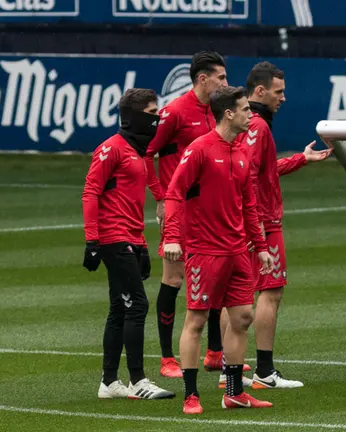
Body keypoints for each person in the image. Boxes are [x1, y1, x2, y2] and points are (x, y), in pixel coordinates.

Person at [163, 86, 274, 414]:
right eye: (244, 110)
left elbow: (249, 205)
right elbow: (174, 193)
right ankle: (190, 395)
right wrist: (172, 237)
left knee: (242, 317)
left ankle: (234, 392)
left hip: (238, 251)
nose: (250, 115)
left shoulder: (240, 152)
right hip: (204, 251)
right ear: (228, 113)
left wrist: (262, 248)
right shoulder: (199, 150)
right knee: (195, 321)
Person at [144, 51, 243, 378]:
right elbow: (146, 154)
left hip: (210, 215)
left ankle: (215, 352)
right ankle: (167, 358)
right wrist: (160, 196)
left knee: (216, 282)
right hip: (180, 212)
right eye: (221, 78)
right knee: (173, 280)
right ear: (203, 79)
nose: (226, 83)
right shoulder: (174, 113)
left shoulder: (218, 113)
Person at [236, 61, 331, 389]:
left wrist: (300, 159)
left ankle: (227, 367)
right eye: (279, 92)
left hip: (251, 218)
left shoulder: (247, 123)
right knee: (269, 292)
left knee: (241, 293)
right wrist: (257, 222)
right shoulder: (258, 125)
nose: (284, 98)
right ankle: (264, 372)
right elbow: (247, 174)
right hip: (263, 220)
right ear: (259, 91)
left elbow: (261, 170)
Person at [82, 88, 174, 400]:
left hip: (130, 238)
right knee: (138, 304)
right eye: (151, 113)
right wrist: (92, 240)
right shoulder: (111, 149)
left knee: (119, 308)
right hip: (112, 237)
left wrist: (143, 245)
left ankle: (109, 383)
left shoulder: (138, 153)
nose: (157, 118)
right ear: (133, 116)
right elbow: (91, 191)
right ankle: (137, 380)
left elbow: (132, 202)